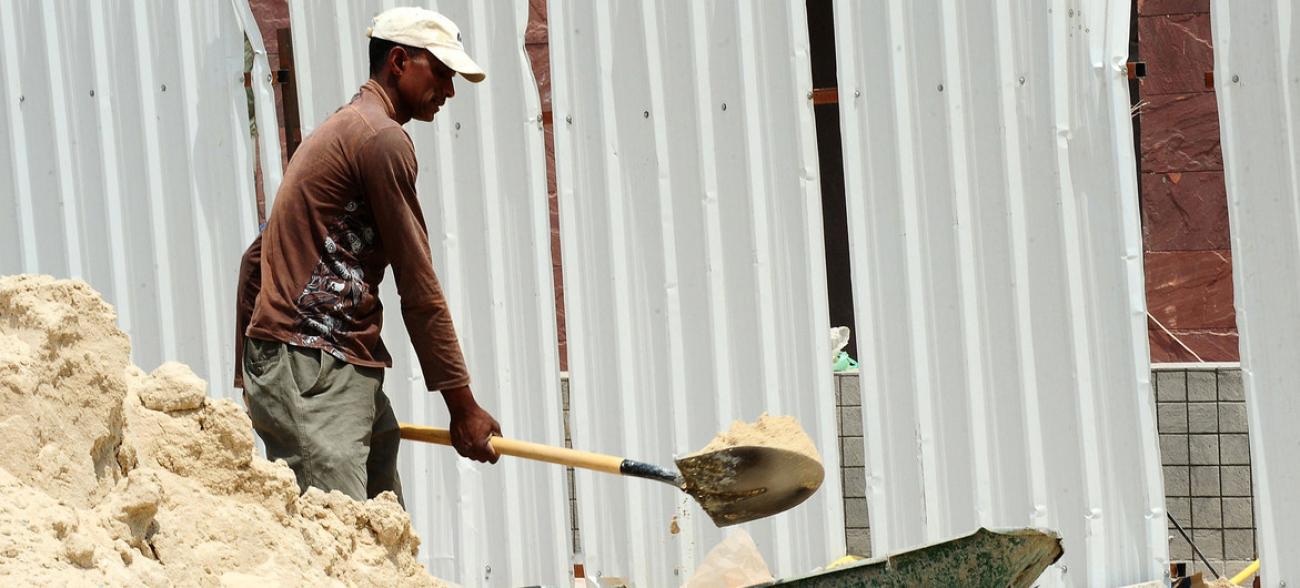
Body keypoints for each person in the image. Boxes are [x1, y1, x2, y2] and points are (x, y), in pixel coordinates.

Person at [232, 7, 500, 505]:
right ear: (398, 61)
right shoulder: (380, 139)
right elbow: (418, 285)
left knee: (379, 538)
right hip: (314, 368)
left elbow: (256, 258)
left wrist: (251, 373)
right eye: (441, 72)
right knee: (335, 548)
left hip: (331, 366)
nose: (449, 90)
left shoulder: (343, 130)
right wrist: (462, 406)